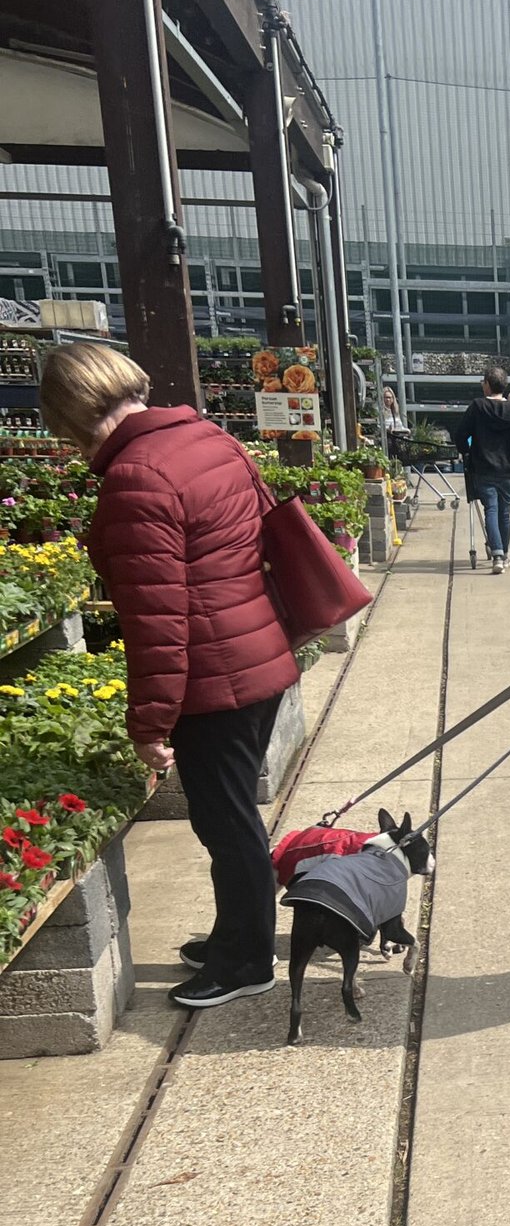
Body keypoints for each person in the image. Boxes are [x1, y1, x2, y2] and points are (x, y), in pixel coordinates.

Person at [38, 342, 300, 1010]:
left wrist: (150, 725)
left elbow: (157, 624)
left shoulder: (135, 478)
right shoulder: (207, 437)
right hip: (258, 655)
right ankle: (236, 935)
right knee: (234, 813)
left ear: (68, 412)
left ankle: (246, 959)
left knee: (226, 822)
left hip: (214, 678)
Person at [452, 366, 510, 573]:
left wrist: (467, 452)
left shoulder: (477, 407)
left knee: (490, 509)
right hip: (509, 469)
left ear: (488, 385)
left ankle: (497, 554)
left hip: (483, 468)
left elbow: (460, 435)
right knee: (504, 513)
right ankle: (504, 554)